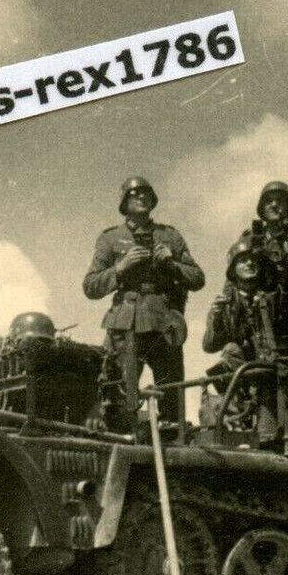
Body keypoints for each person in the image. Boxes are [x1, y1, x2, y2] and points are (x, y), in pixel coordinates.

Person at [83, 176, 205, 428]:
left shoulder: (169, 236)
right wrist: (120, 268)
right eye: (134, 193)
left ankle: (172, 443)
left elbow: (198, 278)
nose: (140, 197)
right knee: (118, 398)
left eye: (145, 193)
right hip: (125, 324)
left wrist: (171, 265)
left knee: (172, 400)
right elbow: (90, 286)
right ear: (124, 201)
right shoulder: (110, 238)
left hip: (164, 324)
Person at [203, 241, 277, 438]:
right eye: (243, 261)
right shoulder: (225, 303)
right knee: (231, 350)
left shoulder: (273, 299)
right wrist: (217, 318)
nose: (250, 264)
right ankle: (232, 423)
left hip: (272, 367)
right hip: (243, 373)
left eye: (253, 260)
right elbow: (209, 345)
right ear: (233, 271)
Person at [231, 181, 288, 291]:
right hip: (260, 300)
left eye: (280, 200)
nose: (274, 205)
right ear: (262, 208)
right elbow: (235, 272)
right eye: (268, 201)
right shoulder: (250, 238)